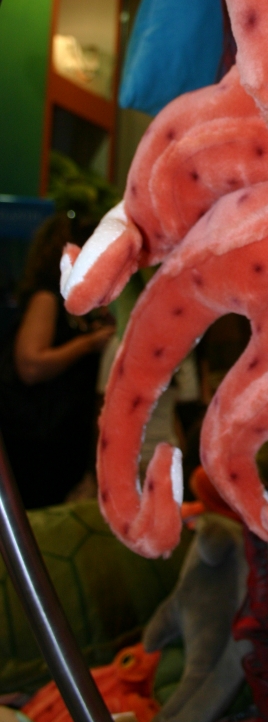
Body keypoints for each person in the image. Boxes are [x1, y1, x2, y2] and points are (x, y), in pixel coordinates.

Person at [0, 214, 115, 509]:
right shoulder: (47, 298)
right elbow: (31, 365)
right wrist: (88, 344)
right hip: (37, 443)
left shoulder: (69, 302)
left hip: (54, 441)